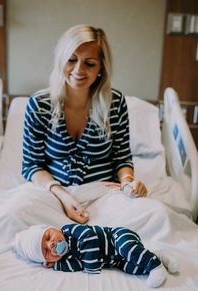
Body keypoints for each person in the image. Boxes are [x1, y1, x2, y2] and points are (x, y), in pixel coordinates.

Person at [22, 24, 147, 224]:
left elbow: (122, 158)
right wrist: (63, 196)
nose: (78, 70)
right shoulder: (39, 105)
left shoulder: (114, 104)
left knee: (153, 213)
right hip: (54, 193)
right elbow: (31, 165)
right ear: (61, 61)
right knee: (18, 212)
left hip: (104, 194)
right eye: (71, 60)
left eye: (89, 63)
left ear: (101, 68)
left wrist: (128, 183)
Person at [13, 224, 179, 288]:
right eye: (46, 251)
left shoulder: (70, 231)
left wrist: (91, 267)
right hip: (115, 261)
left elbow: (89, 236)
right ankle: (158, 257)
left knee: (127, 249)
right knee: (132, 268)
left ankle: (155, 266)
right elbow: (77, 266)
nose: (51, 245)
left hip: (116, 238)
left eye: (49, 237)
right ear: (47, 262)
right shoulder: (65, 262)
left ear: (54, 228)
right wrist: (56, 265)